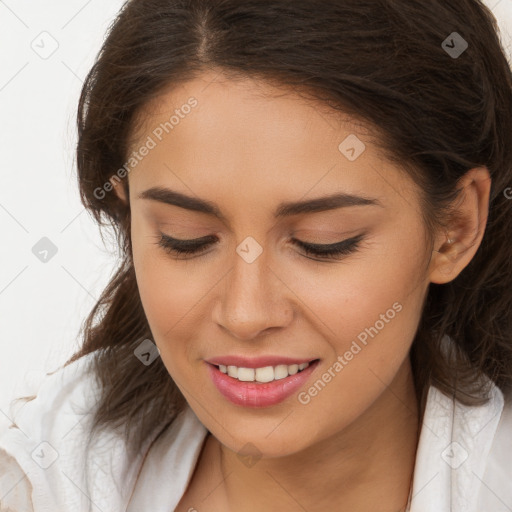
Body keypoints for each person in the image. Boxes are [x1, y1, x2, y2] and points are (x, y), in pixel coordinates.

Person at [1, 0, 512, 510]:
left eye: (322, 242)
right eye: (186, 238)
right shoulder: (40, 483)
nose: (246, 314)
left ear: (455, 227)